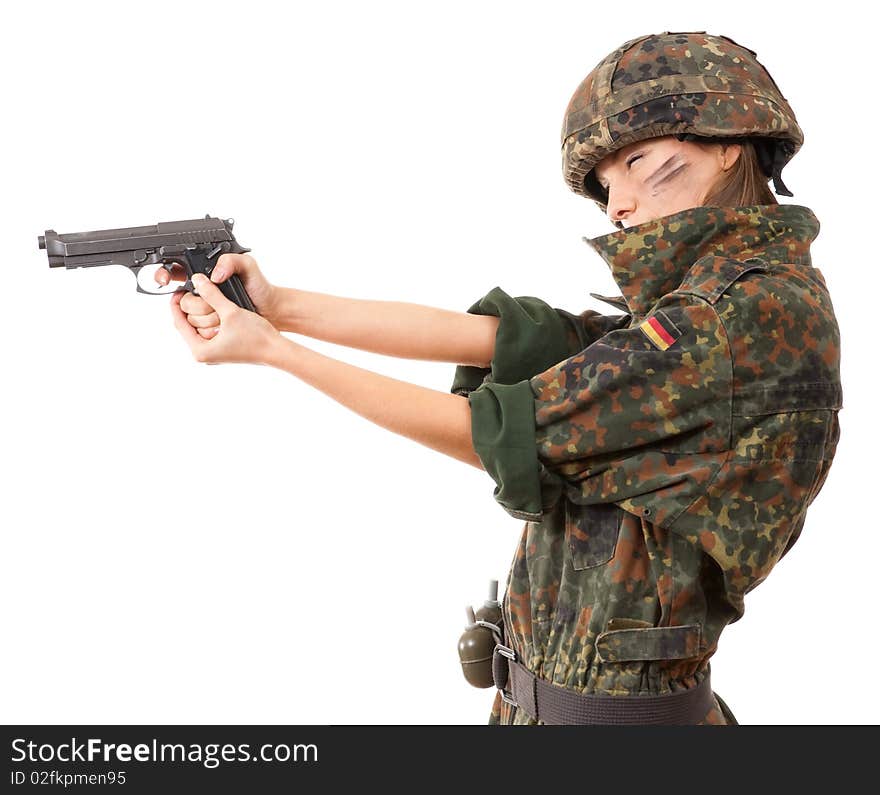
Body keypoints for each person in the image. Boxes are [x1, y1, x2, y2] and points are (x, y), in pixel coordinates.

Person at [158, 31, 842, 725]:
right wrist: (278, 306)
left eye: (640, 162)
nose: (619, 206)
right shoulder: (707, 305)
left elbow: (497, 433)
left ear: (729, 142)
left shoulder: (731, 321)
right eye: (605, 186)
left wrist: (275, 351)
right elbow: (503, 344)